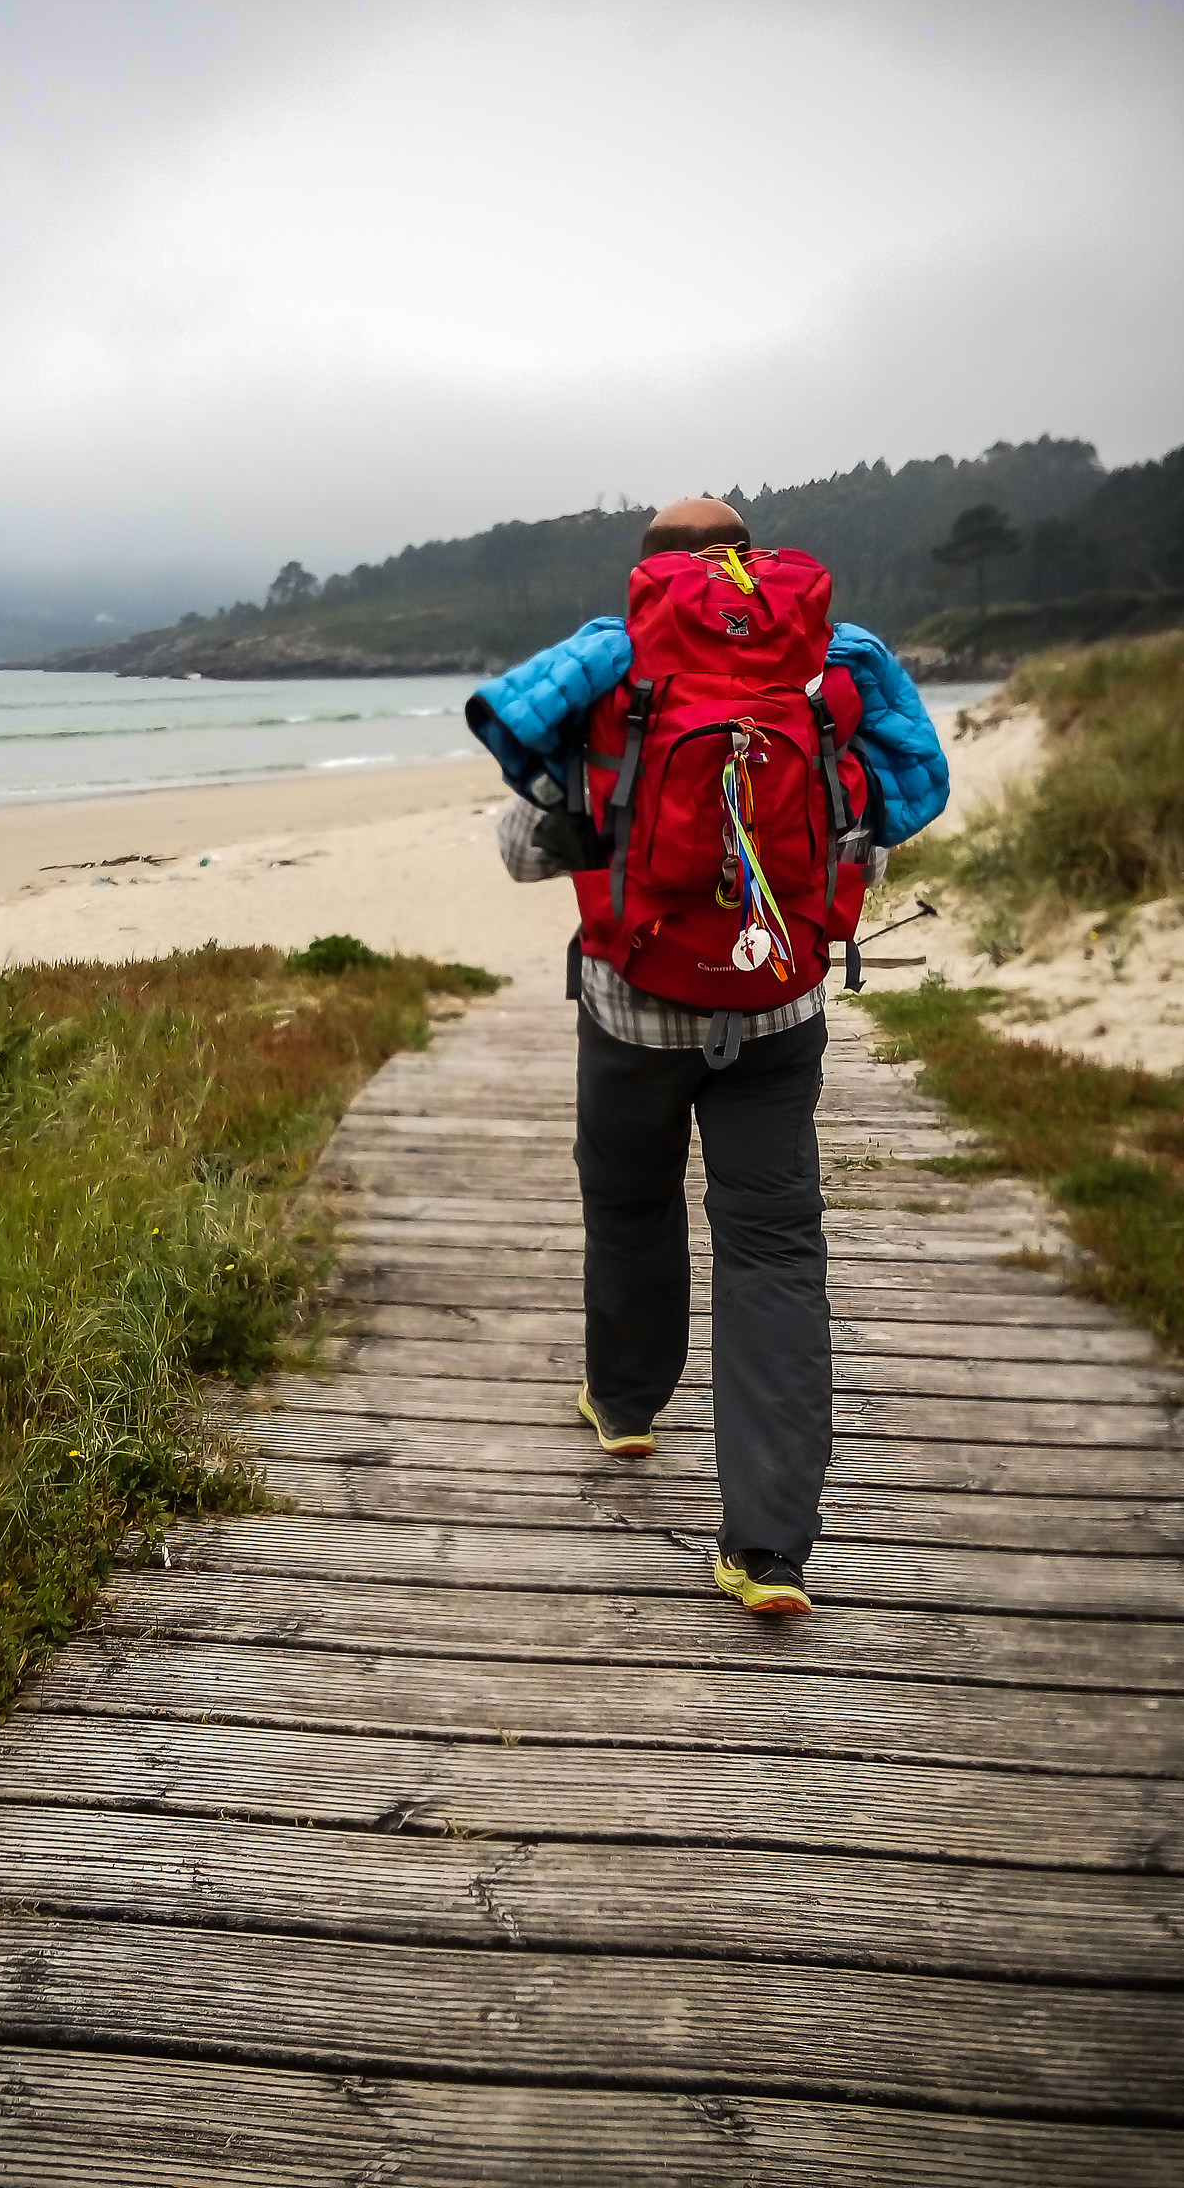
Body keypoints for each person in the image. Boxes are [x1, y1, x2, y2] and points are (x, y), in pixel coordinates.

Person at [495, 496, 866, 1619]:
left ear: (643, 579)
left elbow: (520, 849)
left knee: (630, 1202)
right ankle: (768, 1552)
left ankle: (625, 1407)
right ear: (748, 565)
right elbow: (867, 839)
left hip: (632, 1003)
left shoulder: (600, 677)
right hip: (777, 1006)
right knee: (773, 1252)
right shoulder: (821, 674)